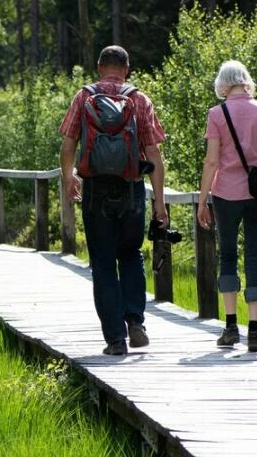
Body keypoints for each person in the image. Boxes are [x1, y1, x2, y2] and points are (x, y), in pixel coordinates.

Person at [59, 45, 168, 356]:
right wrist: (159, 203)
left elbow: (68, 145)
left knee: (104, 264)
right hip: (131, 188)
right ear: (127, 69)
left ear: (98, 67)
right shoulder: (139, 99)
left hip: (95, 190)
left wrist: (69, 178)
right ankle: (135, 321)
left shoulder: (84, 97)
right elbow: (154, 155)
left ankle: (115, 340)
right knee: (131, 254)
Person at [196, 60, 257, 352]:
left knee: (228, 255)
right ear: (245, 80)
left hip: (225, 195)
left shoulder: (216, 114)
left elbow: (212, 161)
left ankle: (231, 327)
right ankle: (255, 332)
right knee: (255, 256)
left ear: (223, 83)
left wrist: (203, 198)